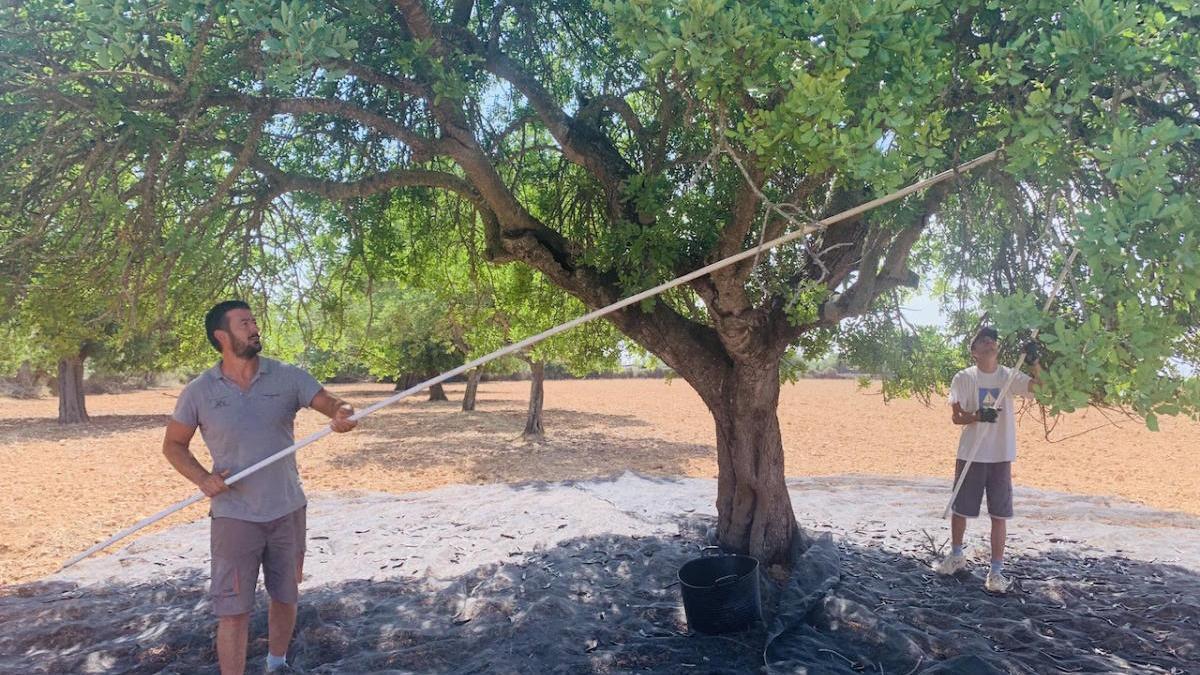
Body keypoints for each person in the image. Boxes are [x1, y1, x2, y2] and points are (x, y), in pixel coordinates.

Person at [163, 300, 358, 674]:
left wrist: (342, 412)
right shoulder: (199, 391)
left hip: (287, 509)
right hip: (234, 517)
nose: (254, 328)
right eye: (244, 323)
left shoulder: (287, 376)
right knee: (233, 610)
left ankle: (276, 663)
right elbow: (173, 445)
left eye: (253, 321)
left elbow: (332, 403)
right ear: (222, 336)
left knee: (285, 595)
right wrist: (202, 478)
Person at [934, 327, 1041, 593]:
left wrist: (1034, 361)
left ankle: (995, 573)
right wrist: (978, 416)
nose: (989, 342)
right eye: (983, 340)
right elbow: (956, 417)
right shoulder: (964, 378)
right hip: (971, 453)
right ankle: (956, 556)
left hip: (1000, 455)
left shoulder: (1009, 375)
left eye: (992, 339)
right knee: (961, 509)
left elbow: (1040, 388)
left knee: (999, 514)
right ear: (974, 352)